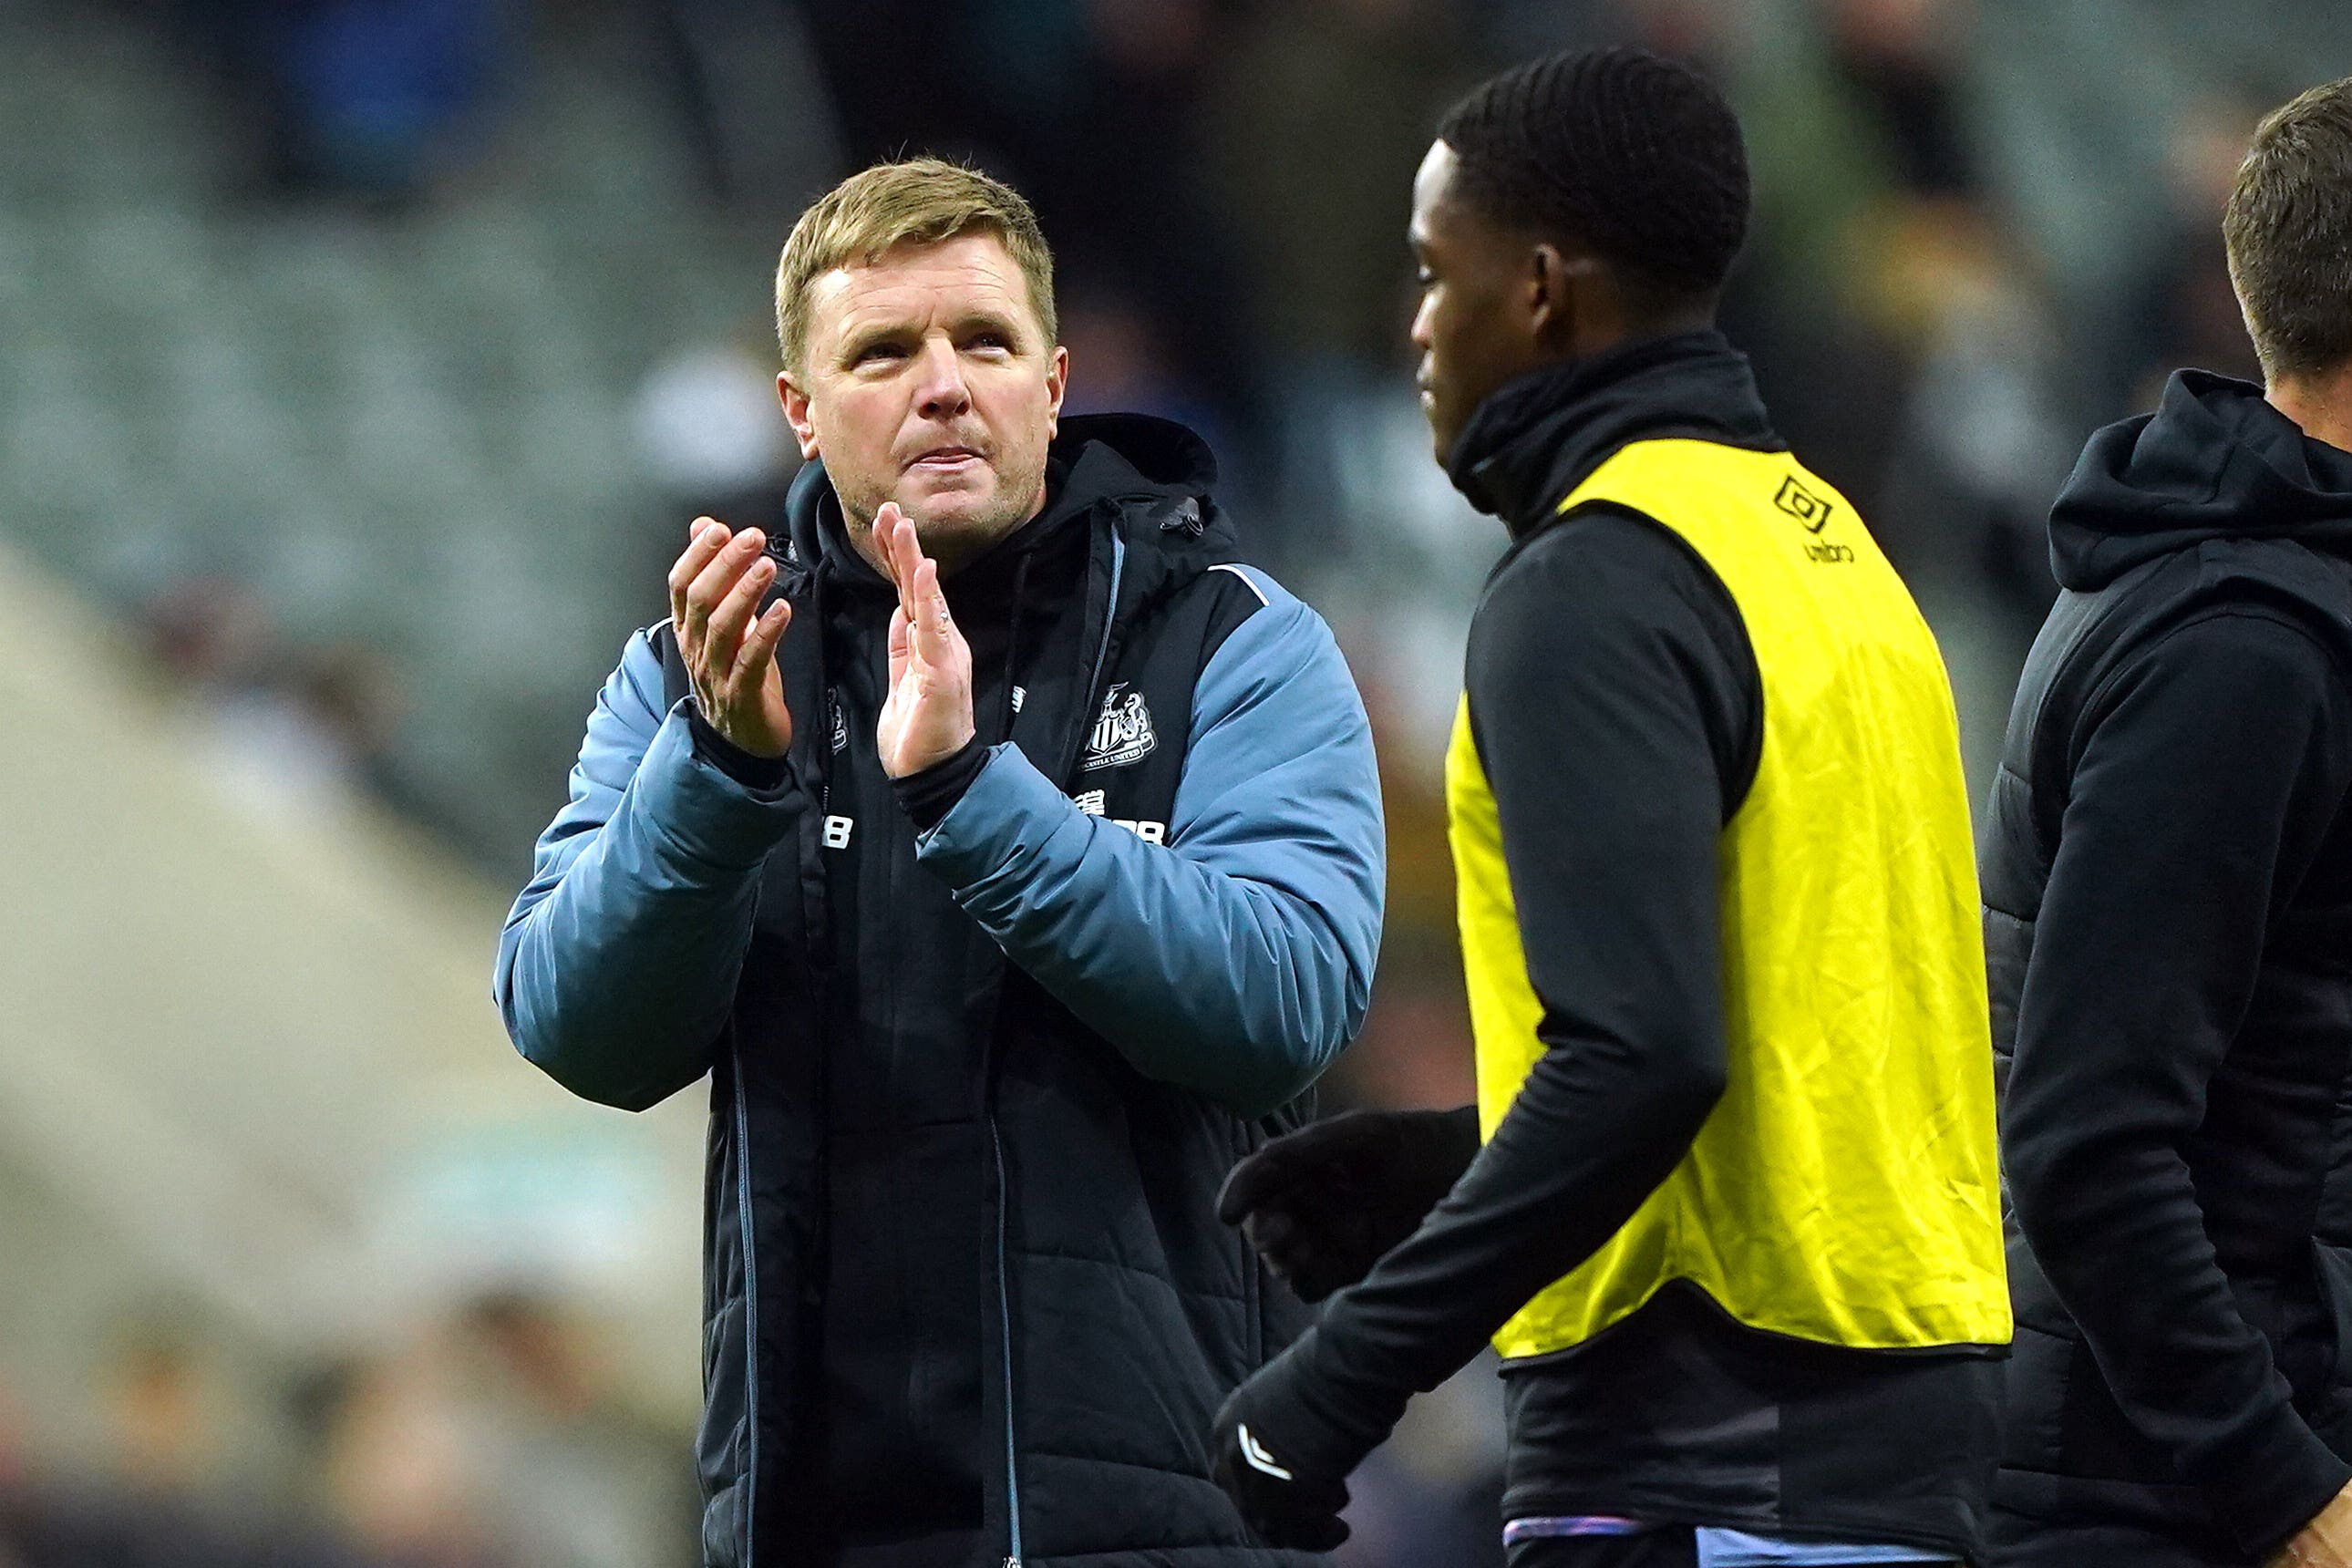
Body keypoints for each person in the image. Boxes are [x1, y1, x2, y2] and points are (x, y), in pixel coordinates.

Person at [493, 158, 1385, 1568]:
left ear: (1054, 379)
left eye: (986, 341)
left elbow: (1284, 1009)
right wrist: (719, 778)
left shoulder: (1233, 641)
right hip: (807, 1519)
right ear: (801, 408)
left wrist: (973, 792)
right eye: (884, 352)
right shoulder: (706, 673)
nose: (945, 383)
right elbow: (572, 1023)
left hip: (1151, 1522)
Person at [1208, 47, 2009, 1566]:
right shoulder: (1834, 556)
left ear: (1547, 290)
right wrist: (1464, 1159)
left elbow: (1644, 1057)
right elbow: (1805, 1035)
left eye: (1441, 276)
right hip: (1902, 1449)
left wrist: (1335, 1382)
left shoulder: (1594, 585)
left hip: (1697, 1460)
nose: (1420, 327)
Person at [1979, 78, 2352, 1568]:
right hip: (2167, 1510)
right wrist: (2292, 1494)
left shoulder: (2265, 599)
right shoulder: (2236, 654)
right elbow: (2085, 1136)